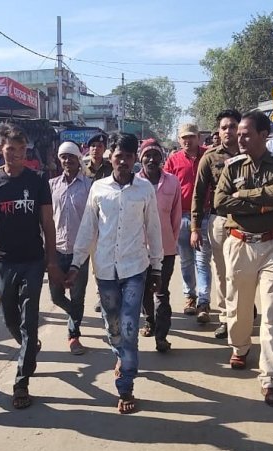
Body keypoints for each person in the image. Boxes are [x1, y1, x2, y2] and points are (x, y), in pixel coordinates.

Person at [67, 132, 163, 414]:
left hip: (135, 268)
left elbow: (153, 228)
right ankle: (120, 354)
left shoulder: (144, 190)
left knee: (130, 326)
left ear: (134, 160)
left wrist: (156, 266)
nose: (123, 161)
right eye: (118, 156)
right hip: (106, 269)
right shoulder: (98, 189)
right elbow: (88, 227)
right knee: (113, 326)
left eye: (128, 157)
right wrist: (76, 263)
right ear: (111, 157)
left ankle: (126, 385)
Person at [214, 110, 273, 407]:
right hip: (239, 244)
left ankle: (271, 378)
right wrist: (260, 205)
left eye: (246, 134)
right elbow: (220, 202)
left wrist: (244, 196)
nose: (240, 139)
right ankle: (240, 346)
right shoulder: (232, 166)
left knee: (272, 314)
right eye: (239, 134)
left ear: (263, 135)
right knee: (239, 307)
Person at [0, 123, 63, 410]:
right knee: (9, 317)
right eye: (10, 149)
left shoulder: (38, 180)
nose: (16, 154)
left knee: (29, 320)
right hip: (4, 260)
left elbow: (47, 223)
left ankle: (21, 382)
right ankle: (29, 344)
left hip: (32, 260)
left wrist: (51, 260)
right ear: (0, 149)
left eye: (21, 149)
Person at [191, 109, 242, 337]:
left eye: (232, 126)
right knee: (222, 271)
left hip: (248, 221)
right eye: (224, 127)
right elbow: (198, 193)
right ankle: (226, 317)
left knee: (245, 271)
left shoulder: (251, 153)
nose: (228, 131)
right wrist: (195, 227)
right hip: (220, 220)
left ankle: (243, 308)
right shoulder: (210, 158)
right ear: (218, 132)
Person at [137, 138, 181, 352]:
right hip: (138, 249)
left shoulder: (172, 182)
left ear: (162, 158)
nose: (151, 159)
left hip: (165, 249)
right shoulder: (134, 183)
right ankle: (150, 321)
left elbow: (176, 216)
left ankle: (162, 337)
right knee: (144, 291)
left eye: (156, 155)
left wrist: (171, 242)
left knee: (161, 292)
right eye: (147, 155)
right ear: (141, 158)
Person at [48, 141, 93, 355]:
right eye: (63, 157)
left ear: (78, 159)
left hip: (79, 251)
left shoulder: (89, 186)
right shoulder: (51, 185)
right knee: (56, 296)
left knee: (77, 295)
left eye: (71, 157)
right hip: (56, 250)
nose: (67, 161)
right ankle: (75, 313)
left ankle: (73, 335)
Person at [164, 123, 211, 319]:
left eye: (191, 136)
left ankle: (204, 302)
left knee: (202, 260)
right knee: (185, 260)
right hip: (181, 216)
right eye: (184, 137)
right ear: (179, 140)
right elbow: (165, 187)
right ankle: (190, 296)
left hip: (204, 216)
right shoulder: (173, 160)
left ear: (198, 137)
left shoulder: (208, 156)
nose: (187, 140)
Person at [84, 132, 112, 314]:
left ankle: (109, 294)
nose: (96, 149)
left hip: (108, 219)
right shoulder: (83, 170)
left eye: (100, 146)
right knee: (96, 262)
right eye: (93, 146)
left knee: (109, 258)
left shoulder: (111, 168)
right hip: (90, 221)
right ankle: (101, 294)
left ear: (104, 149)